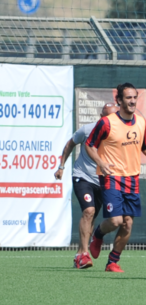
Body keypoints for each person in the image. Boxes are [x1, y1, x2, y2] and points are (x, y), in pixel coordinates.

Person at [85, 83, 146, 272]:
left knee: (128, 223)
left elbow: (145, 146)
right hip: (111, 176)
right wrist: (101, 162)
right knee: (115, 220)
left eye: (134, 97)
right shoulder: (107, 123)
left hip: (132, 178)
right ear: (119, 100)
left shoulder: (141, 122)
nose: (132, 101)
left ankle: (112, 261)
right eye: (128, 98)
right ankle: (97, 234)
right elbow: (89, 145)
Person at [55, 102, 119, 269]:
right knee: (88, 211)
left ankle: (79, 254)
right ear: (101, 117)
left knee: (92, 219)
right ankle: (84, 254)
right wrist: (61, 166)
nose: (110, 120)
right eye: (107, 117)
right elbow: (70, 144)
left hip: (104, 181)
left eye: (113, 116)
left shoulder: (119, 133)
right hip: (83, 177)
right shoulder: (87, 130)